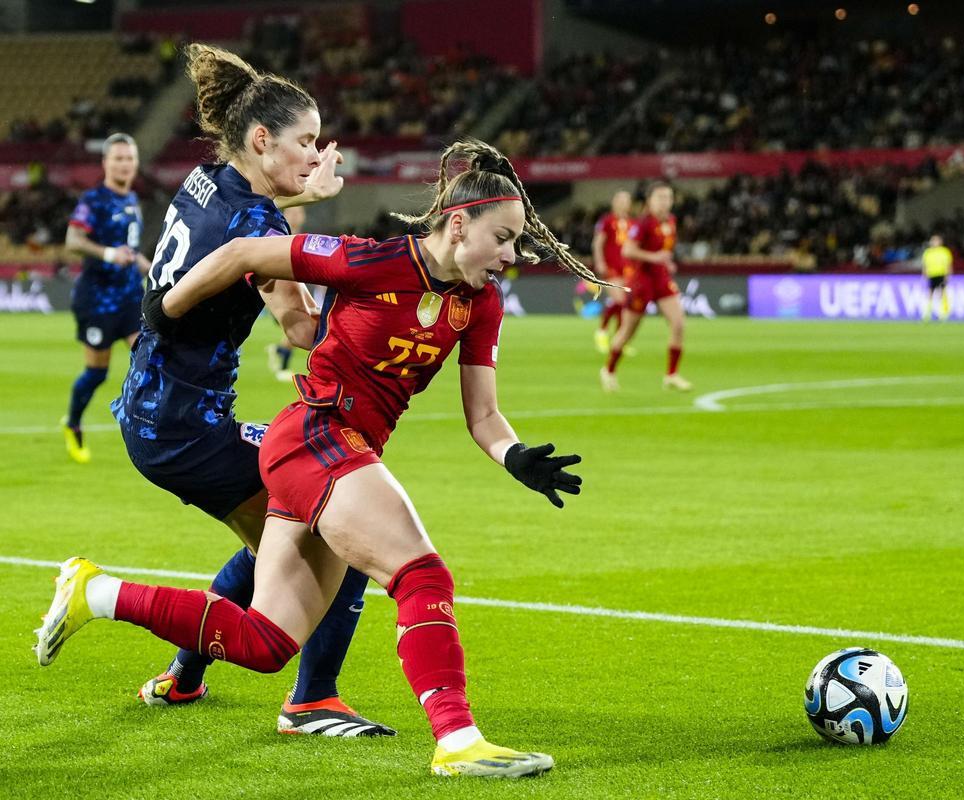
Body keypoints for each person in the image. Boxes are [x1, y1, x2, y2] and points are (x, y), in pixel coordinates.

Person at [37, 139, 598, 777]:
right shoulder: (369, 261)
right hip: (315, 435)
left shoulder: (480, 304)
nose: (509, 256)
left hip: (335, 451)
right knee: (422, 574)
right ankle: (457, 739)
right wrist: (165, 307)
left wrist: (516, 456)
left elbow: (484, 417)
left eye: (516, 244)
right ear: (459, 222)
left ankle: (96, 592)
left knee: (265, 641)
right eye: (503, 238)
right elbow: (247, 252)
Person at [107, 43, 391, 737]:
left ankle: (184, 678)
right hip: (185, 428)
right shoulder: (258, 224)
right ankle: (312, 699)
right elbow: (298, 326)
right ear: (262, 138)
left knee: (282, 525)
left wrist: (299, 198)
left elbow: (253, 227)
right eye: (306, 141)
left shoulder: (206, 179)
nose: (316, 154)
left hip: (158, 414)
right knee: (340, 522)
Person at [62, 133, 152, 464]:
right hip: (97, 301)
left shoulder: (132, 201)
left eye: (130, 158)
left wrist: (149, 266)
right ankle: (73, 424)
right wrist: (108, 254)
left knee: (146, 361)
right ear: (106, 163)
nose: (125, 164)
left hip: (131, 299)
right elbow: (73, 239)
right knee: (97, 373)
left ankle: (142, 428)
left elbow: (130, 249)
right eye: (118, 158)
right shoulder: (94, 200)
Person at [600, 181, 691, 392]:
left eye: (668, 197)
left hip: (661, 278)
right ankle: (609, 370)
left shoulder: (671, 221)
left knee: (678, 324)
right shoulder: (643, 224)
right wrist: (655, 257)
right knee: (628, 331)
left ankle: (671, 375)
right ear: (650, 201)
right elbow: (628, 251)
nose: (664, 202)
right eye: (659, 198)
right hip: (641, 281)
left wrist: (666, 262)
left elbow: (664, 250)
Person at [265, 205, 309, 381]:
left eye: (299, 213)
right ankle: (282, 365)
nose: (296, 216)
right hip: (277, 289)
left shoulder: (302, 238)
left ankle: (280, 357)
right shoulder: (277, 235)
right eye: (292, 213)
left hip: (295, 288)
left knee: (298, 329)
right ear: (284, 215)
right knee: (299, 328)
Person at [590, 189, 631, 353]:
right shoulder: (607, 221)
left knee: (623, 304)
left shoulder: (631, 223)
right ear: (614, 202)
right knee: (621, 301)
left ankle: (619, 340)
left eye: (626, 200)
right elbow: (598, 243)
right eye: (621, 200)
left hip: (627, 270)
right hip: (610, 268)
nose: (623, 203)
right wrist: (599, 261)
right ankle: (602, 331)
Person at [920, 234, 952, 322]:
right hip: (931, 275)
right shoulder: (928, 252)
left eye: (936, 240)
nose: (934, 242)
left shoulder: (945, 252)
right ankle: (927, 313)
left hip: (941, 275)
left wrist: (948, 275)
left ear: (940, 242)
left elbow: (948, 265)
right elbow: (924, 265)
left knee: (941, 294)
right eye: (933, 241)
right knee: (930, 294)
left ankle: (941, 313)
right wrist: (924, 274)